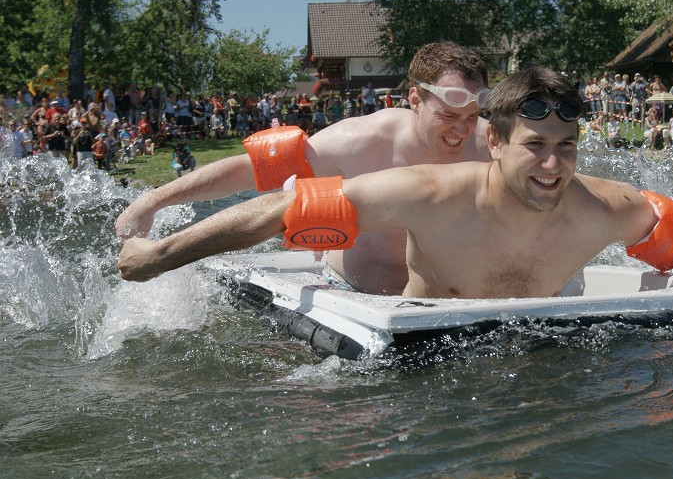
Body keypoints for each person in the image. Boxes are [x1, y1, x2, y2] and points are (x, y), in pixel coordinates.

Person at [118, 67, 673, 295]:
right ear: (494, 143)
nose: (553, 165)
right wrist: (158, 255)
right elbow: (276, 206)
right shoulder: (423, 190)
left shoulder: (604, 207)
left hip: (543, 359)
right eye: (535, 147)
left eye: (568, 147)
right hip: (421, 363)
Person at [116, 41, 493, 295]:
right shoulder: (361, 140)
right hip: (356, 294)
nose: (461, 129)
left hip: (446, 304)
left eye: (472, 116)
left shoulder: (496, 145)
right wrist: (153, 200)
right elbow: (251, 171)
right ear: (415, 100)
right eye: (447, 115)